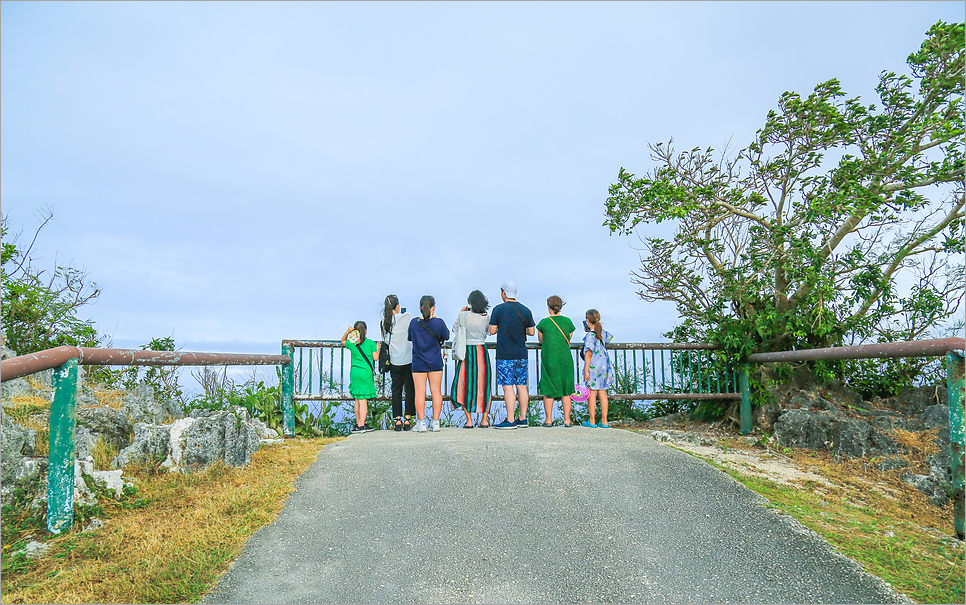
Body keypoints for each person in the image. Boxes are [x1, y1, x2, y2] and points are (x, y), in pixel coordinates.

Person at [488, 281, 535, 429]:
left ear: (504, 292)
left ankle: (510, 419)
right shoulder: (526, 310)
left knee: (508, 387)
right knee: (521, 386)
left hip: (505, 354)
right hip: (521, 353)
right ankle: (522, 418)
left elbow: (492, 331)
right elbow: (531, 332)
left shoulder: (499, 309)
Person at [408, 295, 450, 433]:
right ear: (433, 308)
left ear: (420, 308)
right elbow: (447, 336)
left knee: (419, 392)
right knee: (436, 391)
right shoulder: (439, 323)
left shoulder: (414, 323)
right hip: (435, 362)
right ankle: (436, 422)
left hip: (418, 362)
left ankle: (421, 423)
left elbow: (410, 338)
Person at [451, 290, 492, 428]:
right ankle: (484, 420)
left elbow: (454, 328)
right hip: (481, 350)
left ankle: (469, 421)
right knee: (484, 385)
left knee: (464, 385)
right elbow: (489, 332)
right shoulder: (487, 317)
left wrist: (463, 311)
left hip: (466, 351)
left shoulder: (463, 315)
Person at [536, 295, 576, 427]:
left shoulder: (544, 323)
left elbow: (541, 341)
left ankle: (548, 420)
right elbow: (568, 338)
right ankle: (567, 420)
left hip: (549, 358)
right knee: (566, 390)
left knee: (549, 389)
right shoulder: (568, 322)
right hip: (565, 359)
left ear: (549, 307)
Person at [381, 294, 415, 431]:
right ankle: (408, 419)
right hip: (409, 359)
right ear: (398, 306)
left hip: (394, 360)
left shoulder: (385, 323)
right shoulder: (407, 318)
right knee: (409, 389)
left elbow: (386, 342)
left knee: (396, 390)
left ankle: (397, 420)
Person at [340, 320, 379, 433]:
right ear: (366, 331)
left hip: (354, 373)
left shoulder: (351, 343)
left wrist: (348, 332)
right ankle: (362, 425)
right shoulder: (371, 343)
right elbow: (375, 357)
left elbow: (342, 340)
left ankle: (358, 423)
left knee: (357, 399)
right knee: (363, 400)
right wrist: (378, 348)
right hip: (365, 374)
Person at [581, 309, 615, 428]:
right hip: (604, 365)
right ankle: (604, 421)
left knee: (592, 392)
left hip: (593, 366)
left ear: (587, 320)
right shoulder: (603, 333)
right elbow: (609, 338)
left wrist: (586, 371)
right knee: (602, 392)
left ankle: (592, 421)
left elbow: (589, 353)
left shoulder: (590, 336)